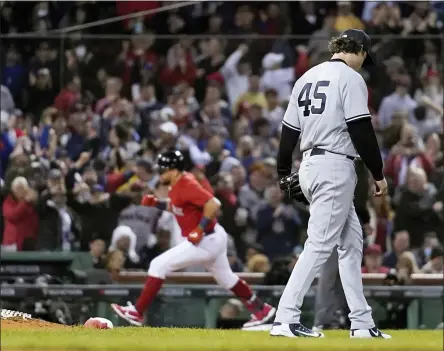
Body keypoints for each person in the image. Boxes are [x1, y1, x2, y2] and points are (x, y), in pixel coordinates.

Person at [271, 29, 391, 339]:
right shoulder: (350, 78)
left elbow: (288, 133)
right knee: (320, 244)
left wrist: (284, 171)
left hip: (310, 165)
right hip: (335, 166)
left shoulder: (306, 77)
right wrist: (378, 174)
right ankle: (285, 318)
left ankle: (362, 323)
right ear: (359, 50)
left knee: (351, 244)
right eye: (365, 56)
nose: (364, 63)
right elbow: (361, 130)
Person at [111, 150, 275, 329]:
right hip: (212, 237)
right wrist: (156, 203)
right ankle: (261, 309)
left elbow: (214, 204)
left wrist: (199, 229)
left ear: (173, 170)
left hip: (205, 239)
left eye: (163, 170)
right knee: (226, 278)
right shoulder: (176, 184)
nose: (160, 174)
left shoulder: (186, 183)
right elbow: (178, 207)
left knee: (158, 265)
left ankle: (137, 312)